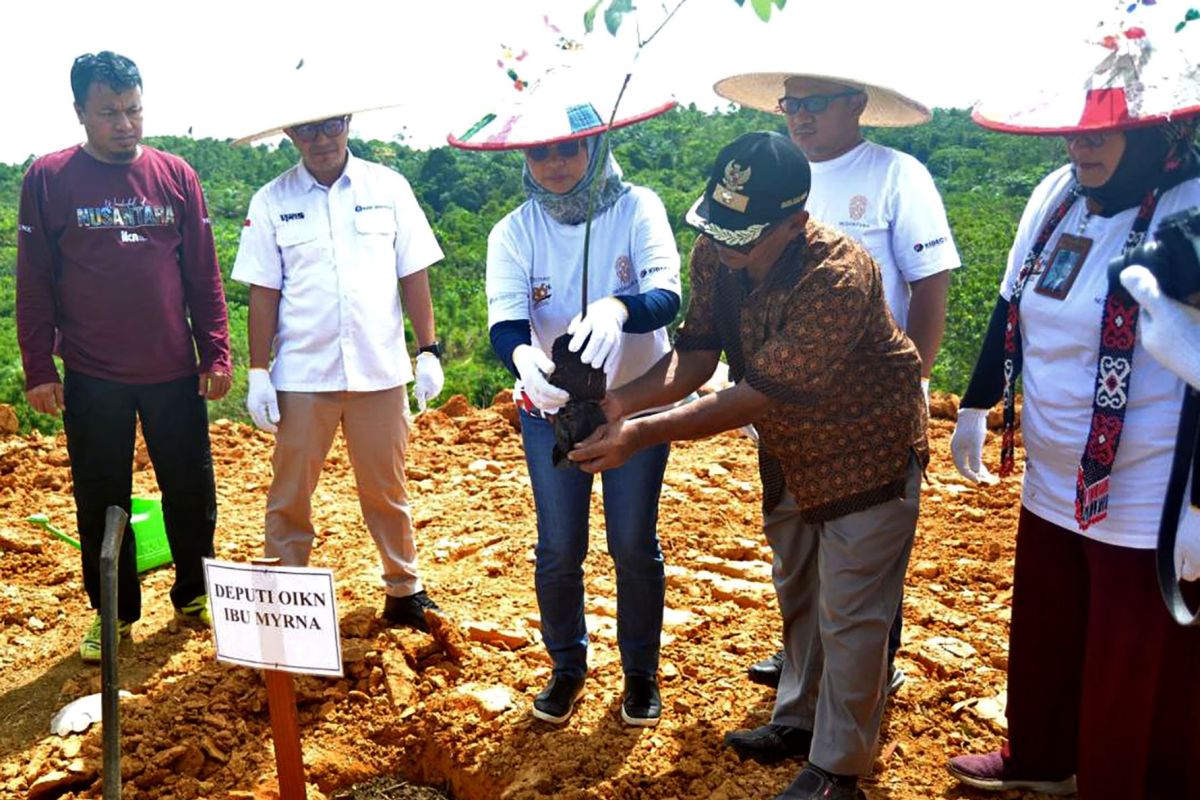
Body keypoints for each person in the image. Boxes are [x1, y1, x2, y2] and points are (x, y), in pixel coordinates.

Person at [571, 131, 927, 800]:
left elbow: (754, 393)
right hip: (791, 449)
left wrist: (638, 435)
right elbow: (697, 356)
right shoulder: (717, 248)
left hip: (867, 453)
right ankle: (797, 719)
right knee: (799, 592)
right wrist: (622, 400)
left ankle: (838, 769)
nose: (729, 247)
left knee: (851, 610)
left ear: (796, 222)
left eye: (747, 235)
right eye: (722, 229)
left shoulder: (838, 274)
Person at [946, 20, 1200, 799]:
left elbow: (1176, 268)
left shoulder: (1188, 204)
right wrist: (977, 402)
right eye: (1076, 136)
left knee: (1132, 648)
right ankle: (1043, 755)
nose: (1082, 151)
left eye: (1105, 136)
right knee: (1049, 625)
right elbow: (1009, 301)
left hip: (1149, 480)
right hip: (1058, 463)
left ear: (1159, 130)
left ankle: (1121, 781)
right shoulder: (1057, 196)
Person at [715, 69, 961, 694]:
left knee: (866, 540)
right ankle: (806, 663)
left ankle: (874, 667)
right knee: (800, 541)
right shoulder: (777, 177)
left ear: (856, 105)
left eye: (816, 105)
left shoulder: (895, 174)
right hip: (785, 397)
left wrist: (918, 377)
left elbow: (929, 282)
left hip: (867, 403)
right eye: (792, 105)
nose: (800, 118)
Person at [461, 94, 682, 725]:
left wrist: (620, 307)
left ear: (592, 147)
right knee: (559, 546)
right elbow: (506, 320)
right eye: (541, 151)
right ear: (524, 158)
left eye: (568, 148)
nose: (556, 163)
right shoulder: (514, 231)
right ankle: (567, 664)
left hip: (632, 400)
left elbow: (666, 294)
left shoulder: (637, 207)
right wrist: (524, 362)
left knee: (633, 542)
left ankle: (640, 671)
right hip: (551, 407)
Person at [15, 51, 232, 663]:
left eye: (133, 109)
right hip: (92, 373)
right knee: (101, 496)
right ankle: (113, 612)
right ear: (80, 110)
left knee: (190, 489)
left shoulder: (176, 176)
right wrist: (38, 367)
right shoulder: (49, 179)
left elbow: (203, 275)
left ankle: (194, 593)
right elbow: (35, 282)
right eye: (108, 112)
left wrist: (215, 351)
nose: (124, 123)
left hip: (172, 370)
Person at [231, 108, 446, 631]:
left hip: (379, 369)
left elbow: (412, 272)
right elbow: (264, 292)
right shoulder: (272, 200)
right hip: (304, 375)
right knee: (290, 494)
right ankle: (284, 603)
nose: (321, 139)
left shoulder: (387, 186)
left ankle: (403, 588)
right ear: (289, 134)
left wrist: (429, 350)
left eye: (331, 126)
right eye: (307, 129)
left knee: (386, 486)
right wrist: (258, 370)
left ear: (348, 124)